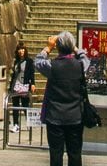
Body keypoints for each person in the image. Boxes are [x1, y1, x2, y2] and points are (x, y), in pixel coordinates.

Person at [35, 30, 90, 166]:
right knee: (75, 154)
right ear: (71, 47)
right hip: (75, 116)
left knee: (55, 154)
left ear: (58, 47)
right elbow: (85, 58)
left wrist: (48, 47)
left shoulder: (52, 66)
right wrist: (75, 48)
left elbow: (38, 61)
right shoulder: (80, 65)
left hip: (55, 116)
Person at [9, 43, 36, 132]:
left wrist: (32, 83)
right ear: (17, 51)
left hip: (24, 85)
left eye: (23, 49)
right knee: (15, 106)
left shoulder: (29, 61)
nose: (22, 51)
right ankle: (16, 125)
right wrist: (10, 87)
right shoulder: (16, 61)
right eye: (20, 50)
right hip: (16, 85)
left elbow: (31, 73)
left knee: (25, 105)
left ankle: (29, 124)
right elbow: (14, 75)